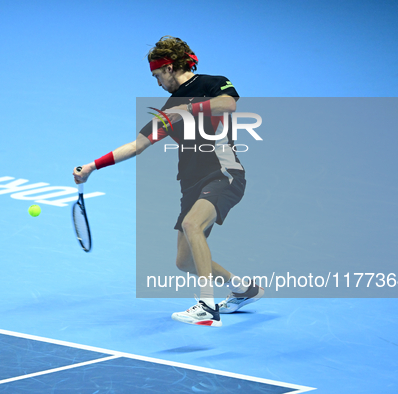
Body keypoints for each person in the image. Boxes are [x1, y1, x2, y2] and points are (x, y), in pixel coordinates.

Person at [73, 36, 263, 327]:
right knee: (184, 261)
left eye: (157, 75)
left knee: (191, 225)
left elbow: (228, 103)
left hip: (224, 175)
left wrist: (188, 110)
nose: (158, 83)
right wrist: (92, 166)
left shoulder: (212, 83)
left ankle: (207, 307)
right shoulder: (167, 110)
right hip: (191, 184)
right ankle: (242, 289)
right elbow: (137, 145)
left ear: (171, 67)